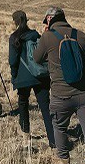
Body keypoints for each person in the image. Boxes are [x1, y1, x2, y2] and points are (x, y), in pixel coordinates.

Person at [33, 6, 85, 164]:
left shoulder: (48, 37)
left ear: (49, 19)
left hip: (60, 95)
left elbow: (36, 59)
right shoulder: (81, 35)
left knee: (59, 128)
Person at [8, 10, 54, 148]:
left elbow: (12, 61)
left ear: (15, 22)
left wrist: (14, 76)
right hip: (41, 75)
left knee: (23, 105)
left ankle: (26, 136)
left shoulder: (14, 38)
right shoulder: (35, 35)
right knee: (46, 108)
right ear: (26, 20)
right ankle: (53, 140)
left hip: (23, 78)